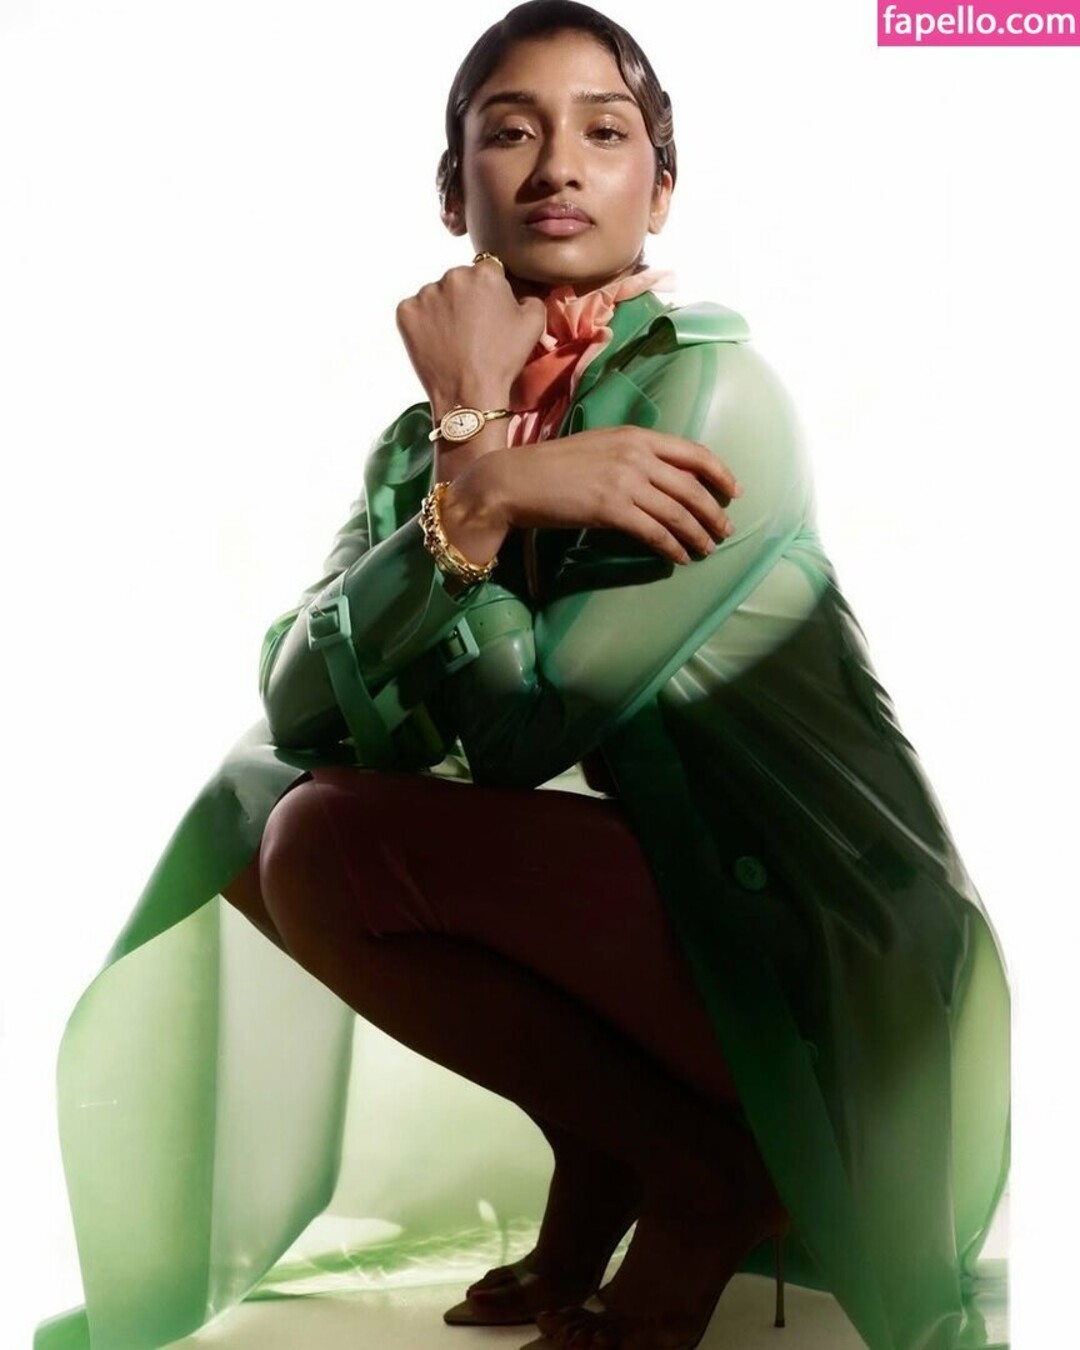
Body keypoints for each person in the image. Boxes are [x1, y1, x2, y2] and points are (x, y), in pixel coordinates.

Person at [35, 4, 1010, 1350]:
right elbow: (301, 705)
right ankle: (615, 1145)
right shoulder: (431, 437)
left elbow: (517, 735)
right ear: (456, 193)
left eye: (604, 133)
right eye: (511, 132)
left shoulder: (712, 402)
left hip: (813, 941)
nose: (558, 165)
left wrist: (476, 480)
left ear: (660, 189)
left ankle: (707, 1173)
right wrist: (478, 471)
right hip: (680, 895)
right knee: (255, 812)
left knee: (324, 841)